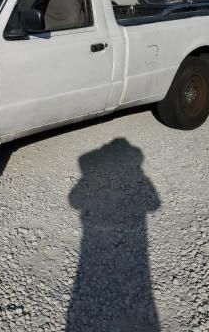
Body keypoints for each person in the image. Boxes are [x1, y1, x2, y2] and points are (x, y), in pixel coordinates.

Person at [68, 138, 161, 331]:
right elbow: (155, 204)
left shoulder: (88, 174)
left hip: (92, 244)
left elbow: (74, 201)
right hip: (134, 247)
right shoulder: (140, 178)